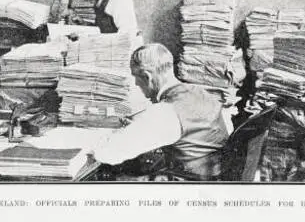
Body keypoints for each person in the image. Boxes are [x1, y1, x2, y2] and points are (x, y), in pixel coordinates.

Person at [91, 44, 230, 180]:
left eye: (135, 77)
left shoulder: (165, 112)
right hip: (213, 175)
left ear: (147, 77)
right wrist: (142, 126)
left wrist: (114, 134)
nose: (136, 84)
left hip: (189, 185)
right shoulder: (201, 92)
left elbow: (107, 154)